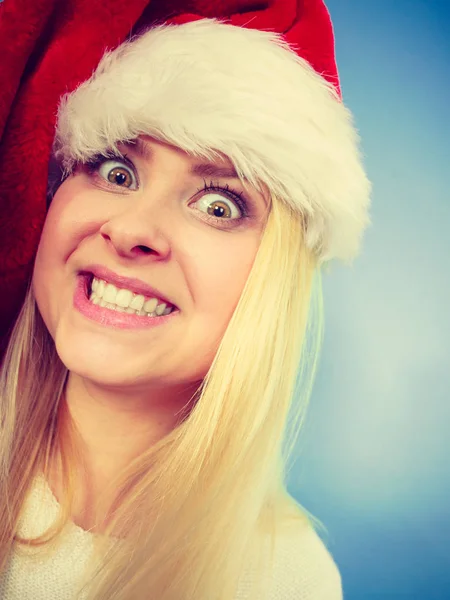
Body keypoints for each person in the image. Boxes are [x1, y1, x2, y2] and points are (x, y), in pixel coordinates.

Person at [0, 1, 371, 598]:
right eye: (117, 171)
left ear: (270, 283)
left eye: (218, 205)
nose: (130, 229)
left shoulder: (289, 581)